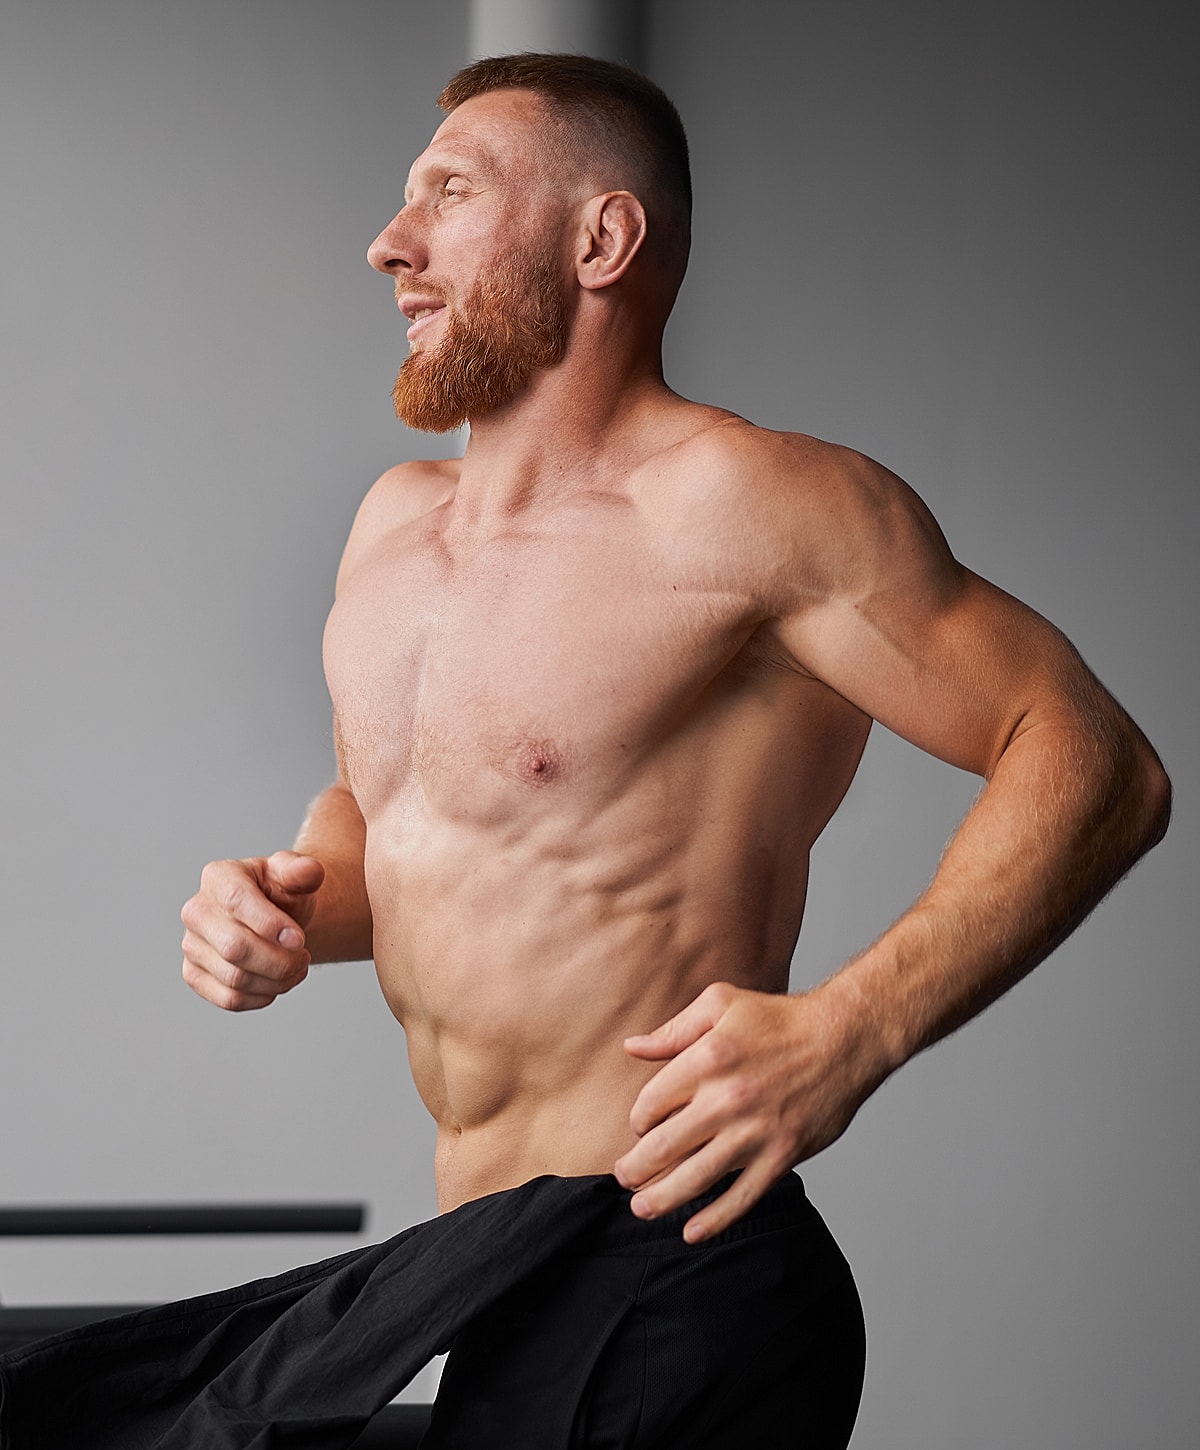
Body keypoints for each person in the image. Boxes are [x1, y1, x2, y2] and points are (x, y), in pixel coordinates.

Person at [173, 53, 1169, 1446]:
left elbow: (1094, 759)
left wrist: (854, 1027)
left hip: (676, 1271)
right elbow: (392, 829)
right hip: (487, 1270)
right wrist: (282, 905)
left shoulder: (746, 507)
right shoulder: (392, 528)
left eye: (448, 196)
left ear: (602, 239)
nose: (389, 245)